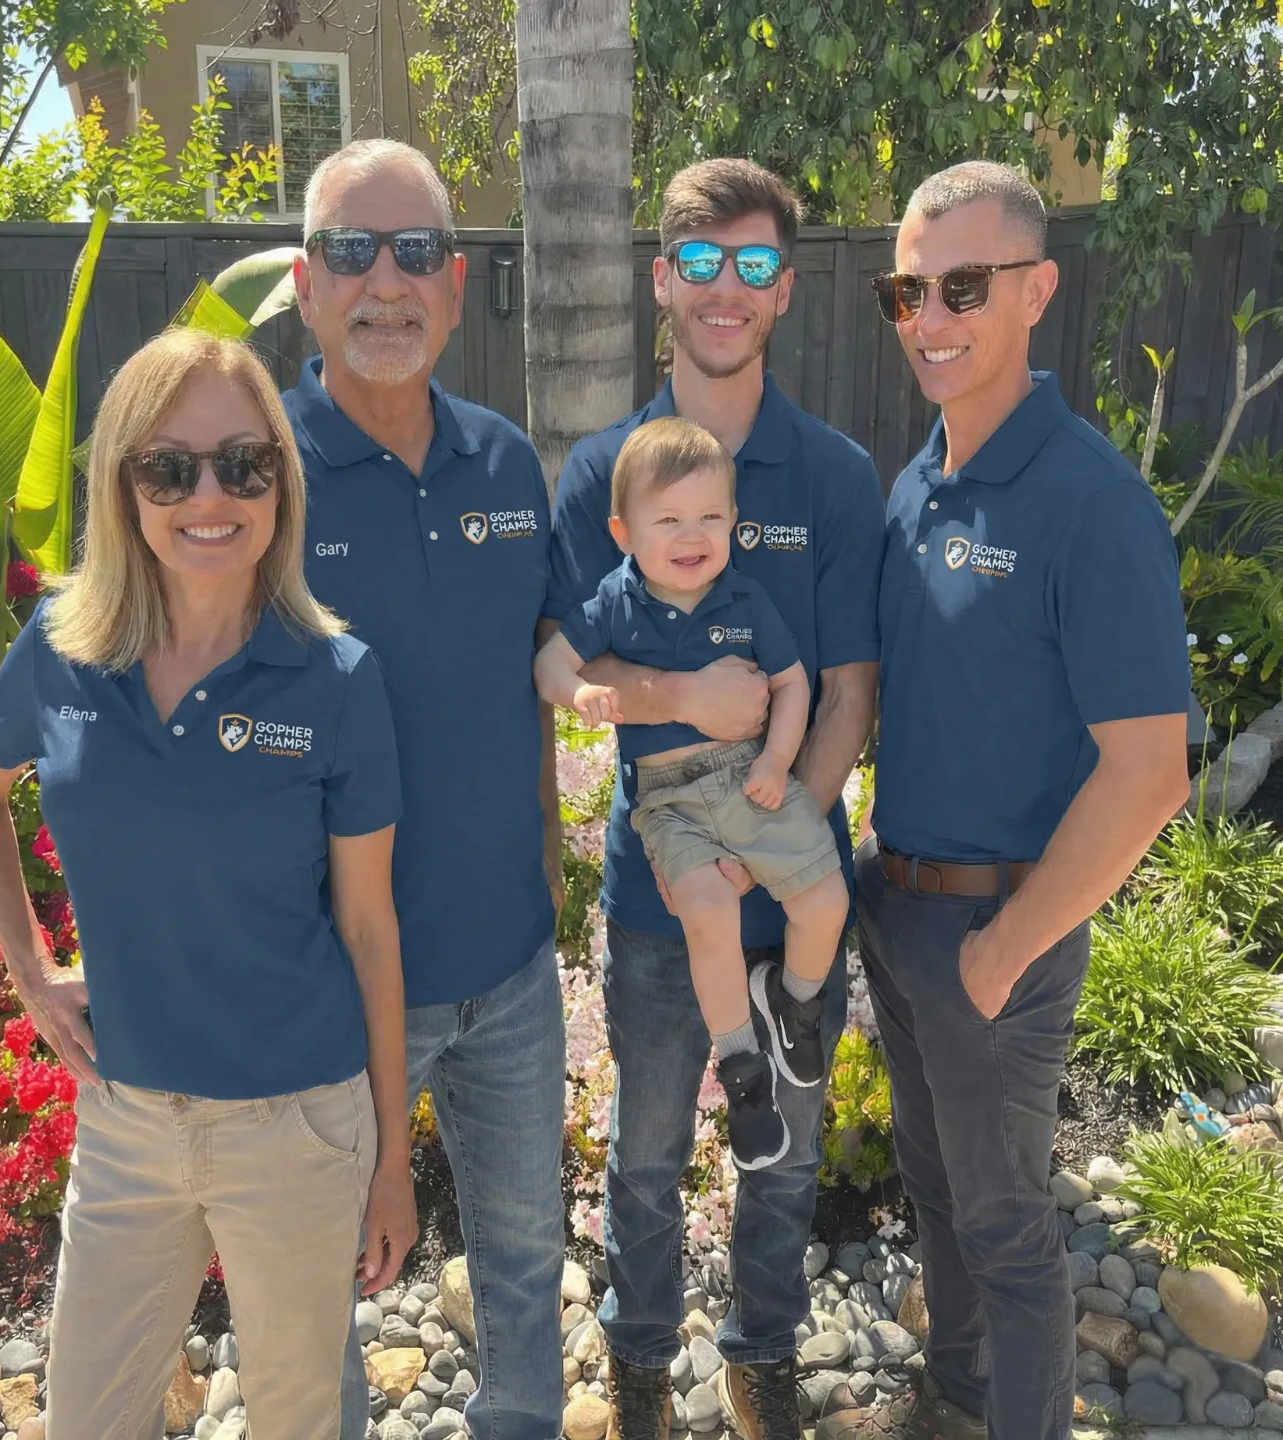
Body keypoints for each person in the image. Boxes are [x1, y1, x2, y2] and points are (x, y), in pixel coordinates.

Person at [0, 329, 414, 1440]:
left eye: (244, 465)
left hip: (297, 1125)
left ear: (281, 486)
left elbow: (369, 930)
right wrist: (31, 970)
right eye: (171, 468)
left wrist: (392, 1160)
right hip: (125, 1122)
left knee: (299, 1422)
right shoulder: (62, 652)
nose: (211, 496)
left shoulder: (339, 680)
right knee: (87, 1421)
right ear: (125, 488)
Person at [816, 161, 1190, 1440]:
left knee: (1010, 1232)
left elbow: (1150, 770)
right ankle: (956, 1400)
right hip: (901, 908)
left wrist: (1005, 953)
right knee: (938, 1192)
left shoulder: (1092, 503)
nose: (929, 316)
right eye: (905, 289)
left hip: (998, 938)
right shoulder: (917, 482)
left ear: (1038, 290)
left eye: (962, 286)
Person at [544, 158, 885, 1440]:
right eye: (700, 262)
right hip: (658, 894)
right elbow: (563, 667)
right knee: (642, 1154)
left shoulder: (837, 475)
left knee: (785, 1157)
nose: (725, 289)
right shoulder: (600, 474)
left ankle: (763, 1356)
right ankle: (638, 1363)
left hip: (791, 875)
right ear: (663, 281)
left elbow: (846, 690)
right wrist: (686, 707)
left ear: (786, 289)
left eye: (752, 265)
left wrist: (771, 818)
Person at [282, 139, 565, 1440]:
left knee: (520, 1276)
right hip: (325, 992)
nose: (383, 282)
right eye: (352, 251)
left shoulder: (509, 465)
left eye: (412, 256)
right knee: (314, 1304)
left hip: (507, 976)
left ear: (455, 289)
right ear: (305, 283)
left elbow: (549, 673)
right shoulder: (253, 480)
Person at [535, 417, 848, 1170]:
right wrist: (580, 695)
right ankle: (742, 1070)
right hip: (669, 798)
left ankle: (794, 1001)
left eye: (710, 516)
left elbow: (793, 682)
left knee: (828, 900)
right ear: (624, 530)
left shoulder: (744, 599)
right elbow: (549, 666)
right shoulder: (615, 602)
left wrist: (777, 758)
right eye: (668, 519)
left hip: (749, 775)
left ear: (734, 524)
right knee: (709, 911)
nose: (691, 535)